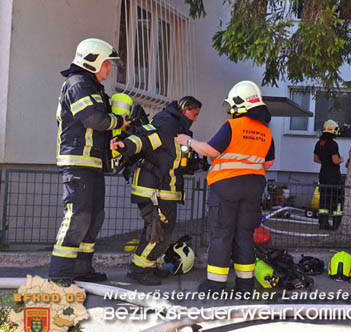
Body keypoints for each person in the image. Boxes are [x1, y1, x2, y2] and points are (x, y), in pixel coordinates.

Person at [176, 81, 275, 293]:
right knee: (244, 236)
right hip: (254, 188)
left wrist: (187, 141)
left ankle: (216, 284)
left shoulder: (232, 126)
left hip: (226, 187)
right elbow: (268, 163)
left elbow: (211, 150)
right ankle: (245, 285)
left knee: (221, 234)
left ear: (239, 105)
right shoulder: (266, 132)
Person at [49, 38, 128, 286]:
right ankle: (59, 274)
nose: (109, 70)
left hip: (92, 163)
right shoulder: (77, 84)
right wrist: (119, 121)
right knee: (78, 216)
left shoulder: (92, 87)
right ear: (92, 61)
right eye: (106, 64)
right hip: (77, 161)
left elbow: (99, 127)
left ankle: (82, 269)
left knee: (95, 216)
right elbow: (93, 118)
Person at [110, 96, 202, 285]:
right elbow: (144, 139)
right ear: (185, 109)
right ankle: (138, 270)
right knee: (159, 231)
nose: (196, 119)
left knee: (156, 230)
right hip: (154, 190)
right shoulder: (167, 123)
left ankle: (148, 265)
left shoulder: (176, 126)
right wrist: (125, 146)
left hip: (161, 189)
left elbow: (170, 157)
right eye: (195, 114)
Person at [313, 119, 344, 230]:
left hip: (323, 175)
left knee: (324, 200)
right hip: (334, 177)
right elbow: (335, 160)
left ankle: (323, 223)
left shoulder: (319, 143)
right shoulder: (332, 144)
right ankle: (336, 225)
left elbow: (316, 159)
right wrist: (341, 159)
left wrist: (325, 162)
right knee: (337, 201)